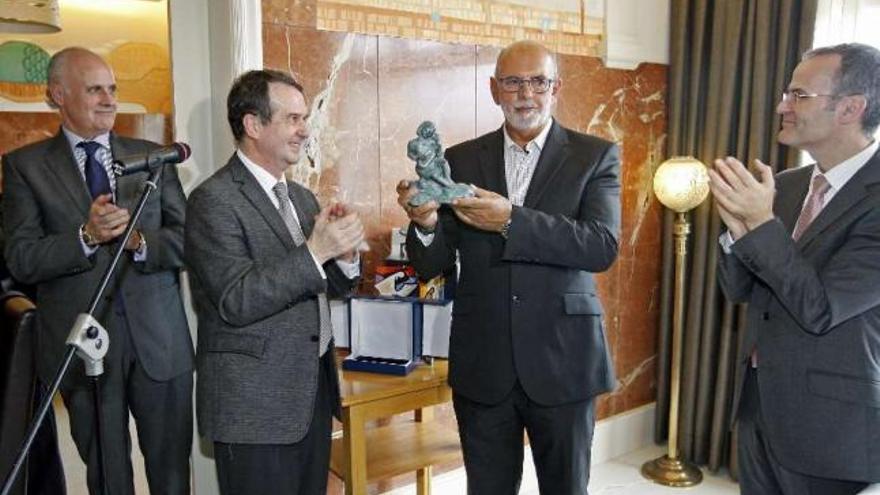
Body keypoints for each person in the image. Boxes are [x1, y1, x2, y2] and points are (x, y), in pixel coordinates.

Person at [397, 40, 621, 494]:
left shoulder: (594, 155)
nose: (526, 94)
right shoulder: (459, 160)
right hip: (484, 362)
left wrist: (512, 221)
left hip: (565, 360)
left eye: (538, 82)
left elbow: (601, 246)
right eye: (514, 82)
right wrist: (422, 225)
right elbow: (433, 265)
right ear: (494, 89)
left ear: (555, 88)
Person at [1, 47, 193, 494]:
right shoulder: (25, 167)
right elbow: (22, 258)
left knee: (171, 475)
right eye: (94, 89)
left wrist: (140, 242)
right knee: (108, 478)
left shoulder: (154, 157)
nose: (108, 99)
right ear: (57, 95)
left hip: (159, 342)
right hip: (83, 347)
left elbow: (188, 240)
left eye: (112, 88)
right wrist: (85, 236)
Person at [710, 43, 880, 494]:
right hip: (759, 408)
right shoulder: (786, 185)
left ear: (851, 107)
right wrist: (734, 230)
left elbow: (820, 308)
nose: (782, 105)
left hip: (832, 429)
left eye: (799, 95)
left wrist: (761, 224)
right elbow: (740, 290)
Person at [184, 69, 363, 494]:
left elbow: (319, 284)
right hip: (254, 408)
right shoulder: (213, 200)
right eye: (293, 119)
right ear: (252, 124)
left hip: (310, 398)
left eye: (305, 119)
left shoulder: (301, 197)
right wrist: (316, 252)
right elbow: (236, 298)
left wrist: (347, 257)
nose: (305, 131)